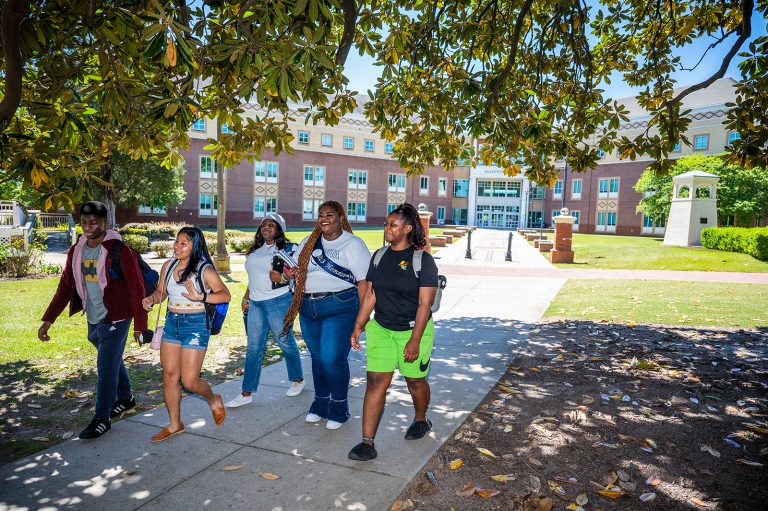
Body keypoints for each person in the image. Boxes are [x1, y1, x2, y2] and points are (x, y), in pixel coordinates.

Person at [38, 201, 148, 439]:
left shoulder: (120, 251)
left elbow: (137, 289)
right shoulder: (76, 250)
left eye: (94, 222)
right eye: (84, 223)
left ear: (105, 223)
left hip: (117, 316)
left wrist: (141, 326)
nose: (88, 227)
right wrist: (48, 319)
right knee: (111, 359)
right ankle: (126, 397)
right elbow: (65, 286)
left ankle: (102, 418)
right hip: (94, 314)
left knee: (105, 367)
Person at [348, 203, 438, 461]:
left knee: (414, 381)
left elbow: (425, 304)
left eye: (393, 225)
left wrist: (415, 340)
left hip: (413, 329)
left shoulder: (423, 261)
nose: (387, 228)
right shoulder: (379, 256)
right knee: (376, 381)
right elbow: (370, 295)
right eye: (386, 224)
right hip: (382, 329)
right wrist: (358, 325)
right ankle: (367, 443)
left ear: (407, 229)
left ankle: (420, 419)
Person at [282, 201, 370, 430]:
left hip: (340, 307)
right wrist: (290, 272)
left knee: (332, 359)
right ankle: (320, 403)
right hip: (308, 308)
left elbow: (364, 282)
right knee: (318, 358)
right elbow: (293, 267)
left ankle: (339, 408)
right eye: (321, 215)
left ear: (341, 217)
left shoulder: (353, 244)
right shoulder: (308, 242)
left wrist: (362, 318)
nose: (324, 219)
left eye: (330, 215)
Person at [142, 227, 231, 442]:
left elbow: (225, 295)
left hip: (196, 324)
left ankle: (213, 399)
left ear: (195, 246)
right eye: (176, 241)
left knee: (189, 381)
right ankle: (175, 424)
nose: (177, 246)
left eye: (184, 243)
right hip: (172, 323)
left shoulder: (204, 270)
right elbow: (162, 292)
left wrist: (202, 297)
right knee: (169, 375)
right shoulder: (168, 266)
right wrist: (152, 298)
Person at [225, 213, 305, 408]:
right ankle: (246, 393)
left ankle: (298, 379)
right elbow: (253, 278)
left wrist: (283, 278)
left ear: (279, 230)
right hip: (256, 304)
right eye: (264, 225)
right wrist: (246, 297)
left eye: (271, 225)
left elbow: (298, 274)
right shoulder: (254, 251)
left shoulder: (287, 250)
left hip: (279, 301)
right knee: (253, 348)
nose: (266, 227)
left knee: (284, 342)